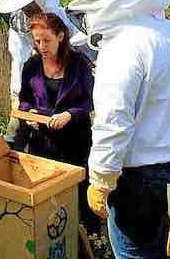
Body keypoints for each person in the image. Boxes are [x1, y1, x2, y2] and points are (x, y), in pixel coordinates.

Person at [67, 0, 170, 258]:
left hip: (143, 175)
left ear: (102, 8)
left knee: (134, 252)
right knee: (164, 244)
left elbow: (113, 123)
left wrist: (101, 179)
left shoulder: (120, 47)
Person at [14, 12, 99, 233]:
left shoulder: (79, 63)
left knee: (80, 185)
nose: (42, 46)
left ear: (60, 36)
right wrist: (29, 113)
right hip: (42, 140)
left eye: (47, 40)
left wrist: (70, 114)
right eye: (37, 40)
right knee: (45, 187)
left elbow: (91, 99)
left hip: (75, 138)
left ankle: (90, 236)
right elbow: (24, 99)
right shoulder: (31, 65)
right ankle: (47, 232)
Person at [0, 0, 93, 147]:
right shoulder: (19, 29)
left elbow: (88, 96)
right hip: (31, 91)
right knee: (15, 142)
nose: (28, 10)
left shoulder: (59, 18)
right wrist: (22, 104)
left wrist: (71, 112)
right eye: (24, 7)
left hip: (64, 89)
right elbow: (19, 60)